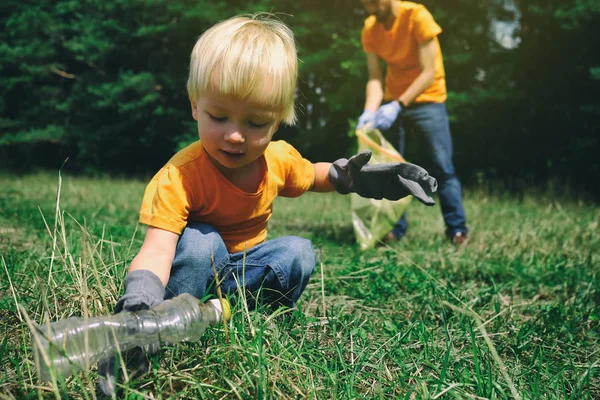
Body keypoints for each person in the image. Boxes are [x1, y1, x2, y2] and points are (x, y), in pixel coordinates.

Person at [97, 13, 438, 396]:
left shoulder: (277, 160)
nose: (235, 135)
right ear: (195, 105)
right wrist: (138, 307)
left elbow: (315, 175)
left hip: (242, 276)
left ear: (277, 121)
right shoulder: (179, 176)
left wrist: (357, 178)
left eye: (257, 123)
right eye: (218, 116)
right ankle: (162, 331)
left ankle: (246, 316)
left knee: (298, 251)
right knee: (201, 242)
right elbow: (158, 249)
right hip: (188, 278)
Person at [357, 0, 469, 245]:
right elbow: (375, 78)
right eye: (365, 4)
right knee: (394, 168)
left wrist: (399, 104)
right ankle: (395, 230)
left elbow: (429, 72)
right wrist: (370, 110)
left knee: (442, 166)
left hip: (428, 99)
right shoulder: (371, 28)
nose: (370, 8)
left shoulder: (417, 17)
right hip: (391, 103)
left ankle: (457, 230)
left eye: (374, 3)